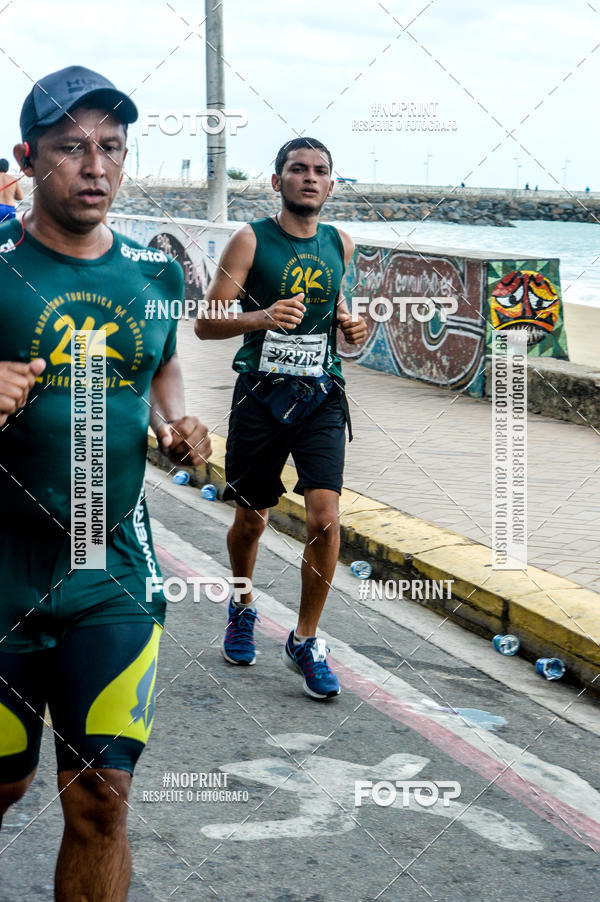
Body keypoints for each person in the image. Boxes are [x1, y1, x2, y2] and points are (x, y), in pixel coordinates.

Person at [0, 66, 211, 902]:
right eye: (71, 148)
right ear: (28, 158)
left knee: (99, 802)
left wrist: (179, 426)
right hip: (3, 568)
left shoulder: (154, 278)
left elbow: (157, 373)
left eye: (111, 148)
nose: (95, 167)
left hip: (112, 566)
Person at [196, 137, 367, 700]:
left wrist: (353, 330)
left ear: (331, 184)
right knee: (252, 520)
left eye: (321, 170)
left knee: (324, 517)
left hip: (320, 395)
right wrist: (263, 316)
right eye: (298, 169)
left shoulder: (340, 242)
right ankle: (242, 604)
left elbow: (337, 310)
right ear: (278, 181)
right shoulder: (250, 240)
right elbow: (206, 324)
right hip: (261, 397)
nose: (310, 178)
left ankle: (305, 638)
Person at [0, 156, 23, 221]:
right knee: (8, 230)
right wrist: (9, 194)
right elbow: (20, 197)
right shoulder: (12, 179)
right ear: (7, 168)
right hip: (10, 209)